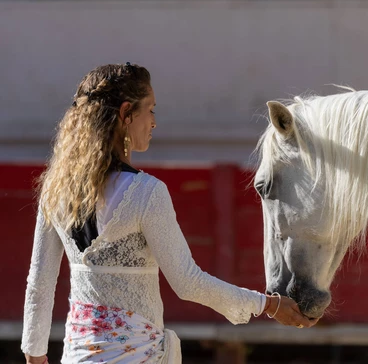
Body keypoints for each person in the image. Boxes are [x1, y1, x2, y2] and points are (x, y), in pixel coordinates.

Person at [22, 63, 316, 364]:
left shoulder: (55, 191)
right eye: (150, 110)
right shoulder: (146, 192)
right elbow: (188, 282)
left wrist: (35, 354)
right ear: (126, 114)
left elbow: (39, 283)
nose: (154, 122)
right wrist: (267, 304)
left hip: (76, 356)